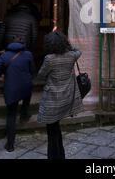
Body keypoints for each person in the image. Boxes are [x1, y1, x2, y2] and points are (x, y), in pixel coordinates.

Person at [37, 31, 83, 159]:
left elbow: (41, 75)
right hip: (66, 97)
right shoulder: (71, 56)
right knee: (56, 128)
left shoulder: (49, 59)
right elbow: (78, 50)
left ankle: (53, 156)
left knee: (51, 131)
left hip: (52, 100)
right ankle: (60, 155)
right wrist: (68, 47)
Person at [0, 36, 36, 152]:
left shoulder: (5, 55)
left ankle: (10, 145)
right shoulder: (28, 54)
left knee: (11, 115)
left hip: (12, 88)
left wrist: (1, 75)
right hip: (26, 85)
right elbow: (33, 70)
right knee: (27, 94)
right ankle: (24, 114)